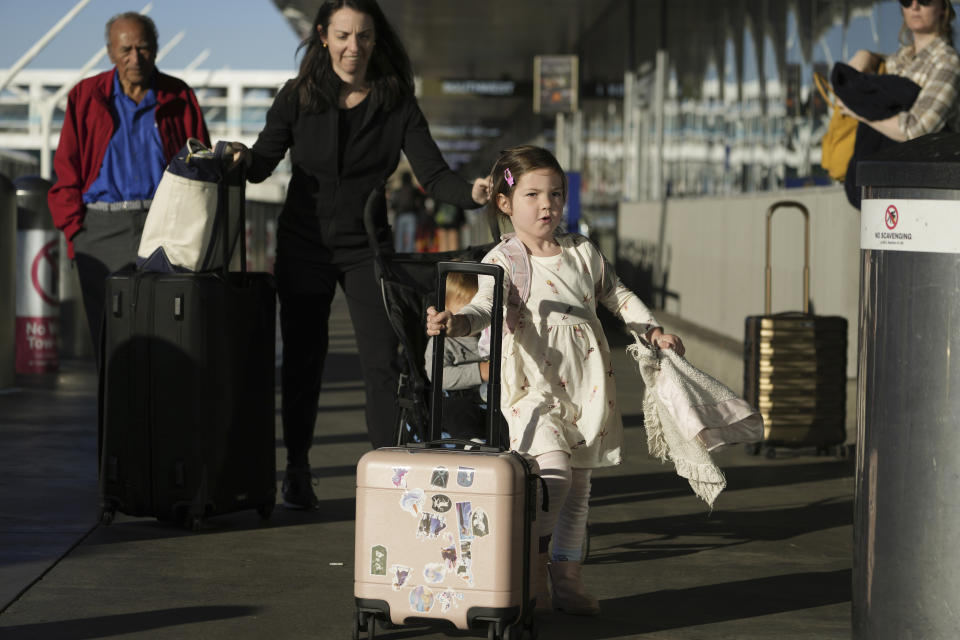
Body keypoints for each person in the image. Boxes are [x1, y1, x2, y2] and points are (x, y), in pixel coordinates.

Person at [232, 0, 492, 510]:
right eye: (345, 36)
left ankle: (388, 471)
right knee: (304, 360)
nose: (355, 47)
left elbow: (433, 175)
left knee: (384, 361)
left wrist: (474, 192)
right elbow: (262, 163)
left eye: (365, 37)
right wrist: (238, 158)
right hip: (303, 245)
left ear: (377, 42)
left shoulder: (396, 102)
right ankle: (298, 468)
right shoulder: (297, 97)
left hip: (366, 248)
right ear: (323, 38)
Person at [425, 145, 684, 616]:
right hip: (532, 387)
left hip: (586, 386)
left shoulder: (581, 251)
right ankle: (532, 570)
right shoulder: (504, 258)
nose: (547, 204)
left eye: (556, 194)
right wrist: (455, 324)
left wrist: (651, 331)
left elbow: (617, 295)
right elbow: (484, 309)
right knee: (554, 477)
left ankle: (567, 579)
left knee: (579, 487)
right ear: (505, 203)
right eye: (533, 194)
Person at [48, 12, 210, 363]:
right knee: (110, 339)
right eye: (126, 49)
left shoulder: (178, 94)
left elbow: (201, 164)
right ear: (110, 52)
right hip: (101, 230)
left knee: (170, 333)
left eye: (144, 48)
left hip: (166, 227)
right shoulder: (85, 96)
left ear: (156, 50)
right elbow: (67, 168)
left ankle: (162, 415)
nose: (135, 58)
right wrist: (75, 232)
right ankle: (116, 418)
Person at [841, 0, 960, 140]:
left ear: (943, 7)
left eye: (924, 0)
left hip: (925, 159)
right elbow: (886, 61)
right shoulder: (902, 58)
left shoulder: (948, 61)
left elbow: (916, 130)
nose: (914, 6)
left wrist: (859, 110)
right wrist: (866, 55)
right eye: (906, 1)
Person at [424, 271, 489, 441]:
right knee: (455, 410)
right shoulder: (443, 342)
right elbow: (438, 375)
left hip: (490, 400)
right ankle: (472, 442)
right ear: (446, 309)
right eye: (463, 312)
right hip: (456, 399)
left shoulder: (490, 337)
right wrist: (480, 372)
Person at [391, 171, 422, 252]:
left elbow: (393, 204)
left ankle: (399, 257)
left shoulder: (398, 191)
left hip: (400, 216)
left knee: (399, 238)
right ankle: (409, 257)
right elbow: (421, 201)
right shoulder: (414, 190)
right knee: (411, 239)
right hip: (412, 215)